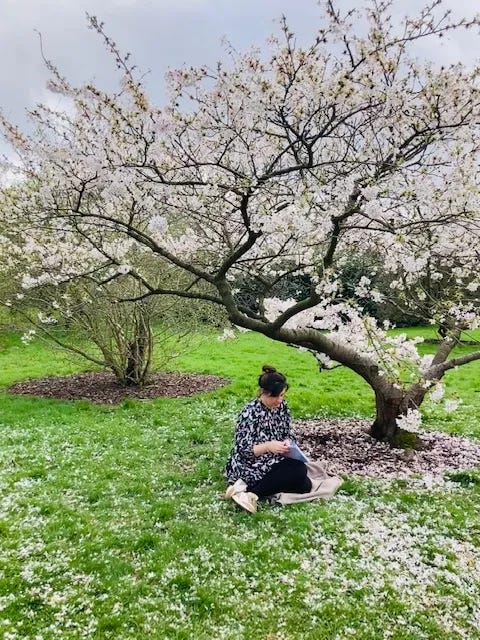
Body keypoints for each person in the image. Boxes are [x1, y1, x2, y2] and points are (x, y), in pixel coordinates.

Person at [225, 365, 312, 513]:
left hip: (274, 458)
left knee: (305, 485)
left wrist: (288, 443)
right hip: (251, 463)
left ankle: (242, 489)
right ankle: (252, 494)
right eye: (275, 396)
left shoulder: (282, 407)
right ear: (264, 393)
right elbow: (243, 450)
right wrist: (268, 446)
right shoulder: (250, 413)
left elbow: (288, 432)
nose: (279, 400)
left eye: (282, 395)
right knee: (299, 473)